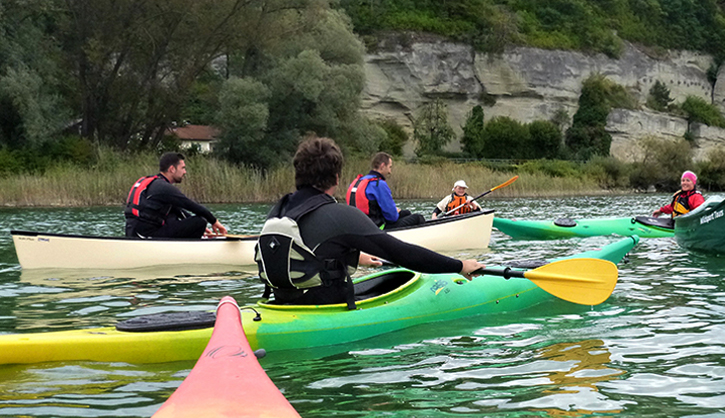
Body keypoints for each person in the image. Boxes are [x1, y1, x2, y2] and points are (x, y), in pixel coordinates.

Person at [260, 137, 484, 306]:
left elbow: (306, 250)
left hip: (280, 304)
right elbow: (402, 254)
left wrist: (357, 256)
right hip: (323, 309)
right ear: (337, 178)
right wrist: (459, 266)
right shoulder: (339, 215)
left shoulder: (279, 210)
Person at [124, 152, 227, 239]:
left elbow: (178, 210)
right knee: (200, 221)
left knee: (174, 216)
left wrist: (196, 228)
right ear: (172, 169)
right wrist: (214, 221)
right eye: (182, 168)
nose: (185, 172)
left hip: (134, 233)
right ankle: (189, 252)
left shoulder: (154, 183)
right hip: (145, 235)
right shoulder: (164, 187)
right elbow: (191, 205)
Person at [346, 152, 425, 229]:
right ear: (383, 166)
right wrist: (396, 211)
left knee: (405, 213)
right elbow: (392, 217)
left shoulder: (357, 182)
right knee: (418, 217)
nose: (390, 172)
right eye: (390, 167)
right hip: (376, 229)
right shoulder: (378, 184)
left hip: (358, 227)